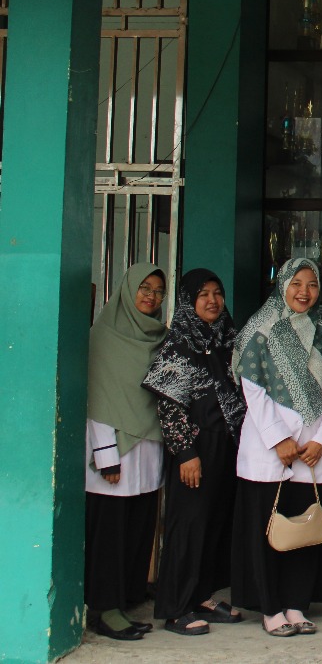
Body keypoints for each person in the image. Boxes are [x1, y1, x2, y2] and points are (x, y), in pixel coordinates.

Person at [231, 257, 322, 637]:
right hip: (270, 451)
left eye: (312, 284)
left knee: (307, 530)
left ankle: (297, 604)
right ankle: (270, 609)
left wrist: (321, 440)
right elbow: (253, 388)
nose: (304, 292)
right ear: (282, 285)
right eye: (296, 283)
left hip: (314, 452)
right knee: (269, 531)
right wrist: (279, 438)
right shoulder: (260, 331)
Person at [143, 269, 246, 636]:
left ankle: (201, 596)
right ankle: (175, 608)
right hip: (195, 448)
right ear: (188, 301)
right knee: (188, 527)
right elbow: (169, 405)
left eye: (217, 293)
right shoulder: (180, 345)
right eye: (203, 294)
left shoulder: (227, 339)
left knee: (215, 523)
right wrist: (185, 452)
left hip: (227, 445)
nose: (213, 301)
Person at [84, 263, 168, 641]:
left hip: (148, 448)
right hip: (114, 450)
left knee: (138, 529)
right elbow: (97, 397)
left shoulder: (159, 337)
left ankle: (129, 595)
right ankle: (104, 608)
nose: (151, 296)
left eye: (158, 290)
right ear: (127, 289)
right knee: (110, 534)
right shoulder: (103, 336)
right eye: (144, 288)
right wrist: (106, 456)